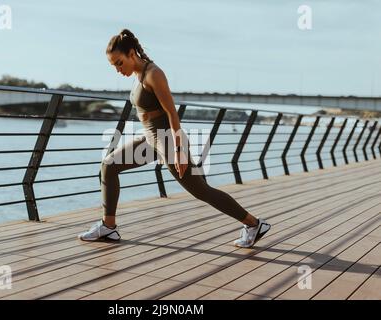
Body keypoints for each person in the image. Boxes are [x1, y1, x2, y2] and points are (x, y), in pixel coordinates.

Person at [78, 29, 270, 248]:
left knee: (200, 190)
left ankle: (254, 224)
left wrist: (178, 151)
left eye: (119, 63)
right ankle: (108, 227)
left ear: (132, 53)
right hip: (150, 140)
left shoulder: (153, 74)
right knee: (109, 165)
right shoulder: (137, 76)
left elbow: (172, 113)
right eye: (113, 65)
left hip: (168, 140)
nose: (117, 69)